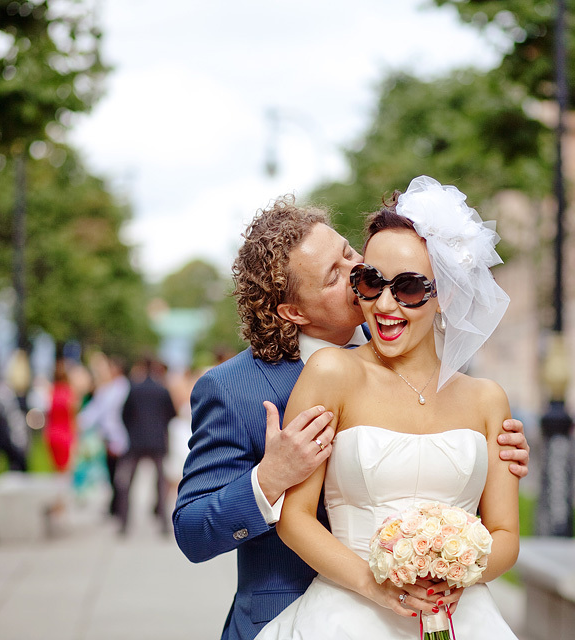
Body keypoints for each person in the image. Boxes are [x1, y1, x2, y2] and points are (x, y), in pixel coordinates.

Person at [173, 193, 530, 640]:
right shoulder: (234, 389)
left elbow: (466, 501)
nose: (358, 277)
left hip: (446, 613)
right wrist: (268, 480)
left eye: (349, 256)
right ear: (294, 311)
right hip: (311, 614)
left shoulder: (419, 341)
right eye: (334, 277)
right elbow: (192, 529)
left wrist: (493, 458)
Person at [116, 356, 177, 535]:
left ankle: (124, 523)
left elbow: (124, 414)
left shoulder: (134, 389)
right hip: (157, 440)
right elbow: (171, 413)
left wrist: (132, 430)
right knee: (160, 483)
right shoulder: (162, 389)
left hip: (136, 441)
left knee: (127, 482)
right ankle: (164, 523)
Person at [77, 352, 130, 514]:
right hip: (108, 435)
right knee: (111, 472)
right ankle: (115, 504)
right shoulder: (109, 388)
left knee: (118, 474)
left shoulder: (121, 388)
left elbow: (101, 412)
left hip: (118, 436)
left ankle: (118, 505)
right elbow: (95, 410)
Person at [45, 359, 77, 472]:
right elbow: (72, 416)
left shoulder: (50, 391)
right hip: (65, 435)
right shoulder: (69, 393)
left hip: (52, 434)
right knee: (66, 472)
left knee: (56, 471)